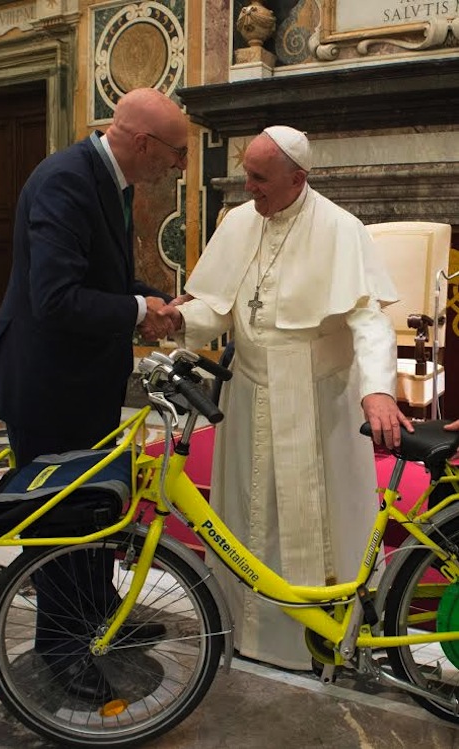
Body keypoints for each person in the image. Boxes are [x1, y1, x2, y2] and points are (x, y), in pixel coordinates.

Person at [157, 126, 413, 671]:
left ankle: (315, 640)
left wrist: (376, 392)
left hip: (318, 402)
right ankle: (240, 629)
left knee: (314, 527)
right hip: (248, 395)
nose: (249, 189)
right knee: (245, 518)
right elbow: (218, 307)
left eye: (260, 179)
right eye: (247, 175)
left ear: (298, 178)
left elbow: (370, 320)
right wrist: (182, 317)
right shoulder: (240, 224)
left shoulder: (342, 230)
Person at [0, 87, 186, 699]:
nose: (179, 168)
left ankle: (98, 614)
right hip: (49, 384)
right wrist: (136, 308)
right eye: (177, 154)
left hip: (82, 379)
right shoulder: (65, 181)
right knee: (63, 520)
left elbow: (98, 275)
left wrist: (149, 298)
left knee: (98, 505)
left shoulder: (107, 178)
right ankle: (62, 650)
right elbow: (55, 298)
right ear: (145, 144)